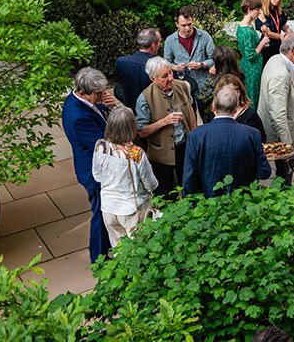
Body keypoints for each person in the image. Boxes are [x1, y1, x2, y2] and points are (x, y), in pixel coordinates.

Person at [62, 67, 117, 262]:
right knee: (101, 215)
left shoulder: (82, 99)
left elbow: (100, 111)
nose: (103, 95)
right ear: (83, 92)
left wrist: (109, 105)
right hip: (95, 172)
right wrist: (118, 113)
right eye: (98, 94)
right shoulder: (77, 117)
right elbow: (105, 143)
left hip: (98, 166)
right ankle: (98, 257)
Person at [183, 85, 271, 197]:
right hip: (244, 202)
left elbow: (189, 179)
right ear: (235, 109)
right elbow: (264, 172)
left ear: (213, 106)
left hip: (208, 204)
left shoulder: (196, 136)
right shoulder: (252, 134)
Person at [91, 107, 158, 247]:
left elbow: (97, 176)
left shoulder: (100, 146)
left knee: (118, 250)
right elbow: (151, 184)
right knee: (138, 250)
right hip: (132, 209)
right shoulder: (136, 153)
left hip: (108, 207)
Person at [136, 56, 197, 199]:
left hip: (184, 146)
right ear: (153, 79)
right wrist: (164, 121)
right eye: (165, 76)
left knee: (190, 186)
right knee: (165, 193)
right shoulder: (144, 98)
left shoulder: (182, 86)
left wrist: (194, 133)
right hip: (161, 154)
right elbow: (142, 132)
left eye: (170, 72)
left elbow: (191, 111)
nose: (170, 78)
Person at [256, 34, 294, 184]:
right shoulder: (280, 74)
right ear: (292, 50)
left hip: (282, 132)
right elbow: (278, 115)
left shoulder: (276, 59)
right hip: (283, 136)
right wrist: (288, 148)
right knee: (285, 174)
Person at [164, 6, 215, 121]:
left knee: (208, 118)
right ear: (177, 24)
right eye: (183, 25)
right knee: (188, 119)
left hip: (204, 85)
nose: (187, 28)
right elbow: (166, 62)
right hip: (183, 86)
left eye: (189, 24)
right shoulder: (170, 40)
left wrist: (202, 64)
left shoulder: (204, 36)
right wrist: (175, 67)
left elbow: (214, 58)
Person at [114, 28, 160, 113]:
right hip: (151, 109)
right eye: (159, 42)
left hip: (129, 105)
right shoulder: (158, 65)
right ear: (153, 45)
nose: (160, 45)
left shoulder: (121, 62)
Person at [236, 0, 270, 107]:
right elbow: (250, 55)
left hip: (248, 66)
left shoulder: (243, 26)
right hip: (252, 69)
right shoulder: (247, 31)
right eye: (257, 9)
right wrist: (262, 42)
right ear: (250, 10)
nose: (259, 12)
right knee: (253, 98)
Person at [198, 46, 246, 123]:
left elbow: (202, 100)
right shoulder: (239, 74)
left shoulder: (217, 80)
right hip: (237, 112)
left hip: (218, 115)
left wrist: (211, 77)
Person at [214, 74, 266, 142]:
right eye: (225, 92)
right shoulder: (213, 113)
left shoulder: (250, 116)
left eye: (234, 90)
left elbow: (260, 140)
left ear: (240, 92)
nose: (230, 95)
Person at [255, 0, 291, 69]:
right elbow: (267, 33)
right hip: (267, 46)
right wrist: (283, 36)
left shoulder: (277, 10)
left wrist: (292, 35)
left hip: (279, 45)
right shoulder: (261, 11)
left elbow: (283, 25)